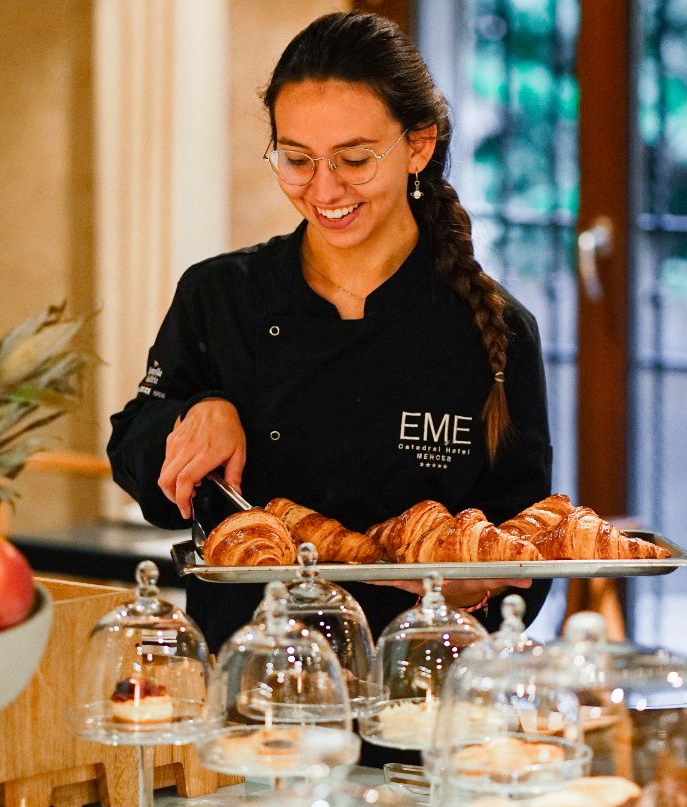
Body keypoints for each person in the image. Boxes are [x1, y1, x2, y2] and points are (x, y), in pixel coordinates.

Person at [107, 11, 552, 653]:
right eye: (297, 160)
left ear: (418, 146)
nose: (325, 188)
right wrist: (194, 415)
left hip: (417, 702)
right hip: (254, 690)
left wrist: (475, 589)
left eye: (355, 158)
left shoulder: (499, 335)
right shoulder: (220, 296)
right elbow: (133, 451)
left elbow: (527, 552)